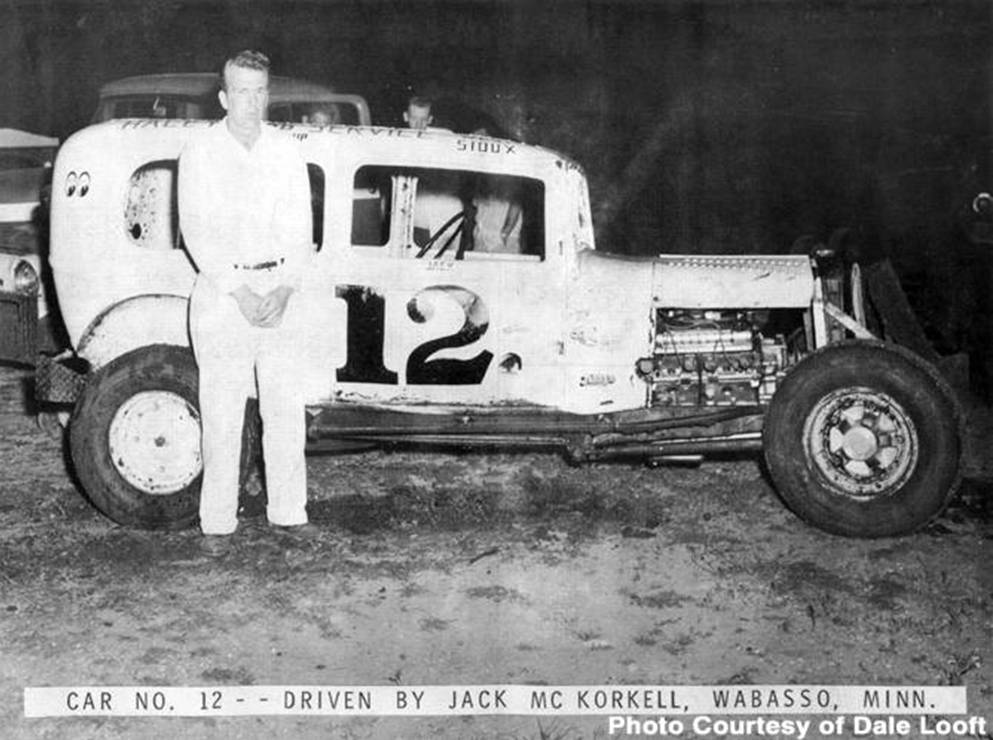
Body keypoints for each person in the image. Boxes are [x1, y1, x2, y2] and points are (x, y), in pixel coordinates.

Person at [178, 50, 318, 556]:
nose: (251, 101)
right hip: (222, 299)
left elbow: (302, 230)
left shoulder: (286, 150)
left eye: (259, 91)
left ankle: (288, 512)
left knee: (284, 410)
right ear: (223, 96)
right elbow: (196, 230)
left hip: (280, 296)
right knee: (221, 413)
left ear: (268, 95)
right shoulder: (200, 151)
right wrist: (238, 290)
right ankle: (217, 520)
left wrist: (283, 289)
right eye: (241, 90)